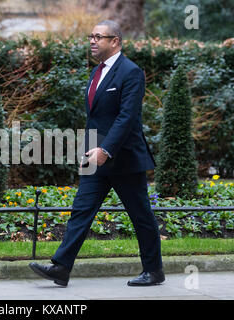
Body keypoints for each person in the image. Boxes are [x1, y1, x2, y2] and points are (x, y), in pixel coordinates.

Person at [29, 20, 164, 287]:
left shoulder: (131, 72)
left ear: (115, 41)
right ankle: (61, 267)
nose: (92, 41)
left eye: (98, 37)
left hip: (123, 158)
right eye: (91, 36)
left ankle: (154, 271)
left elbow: (127, 117)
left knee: (141, 216)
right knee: (81, 210)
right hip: (94, 156)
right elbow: (95, 118)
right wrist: (91, 150)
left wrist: (106, 149)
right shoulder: (96, 73)